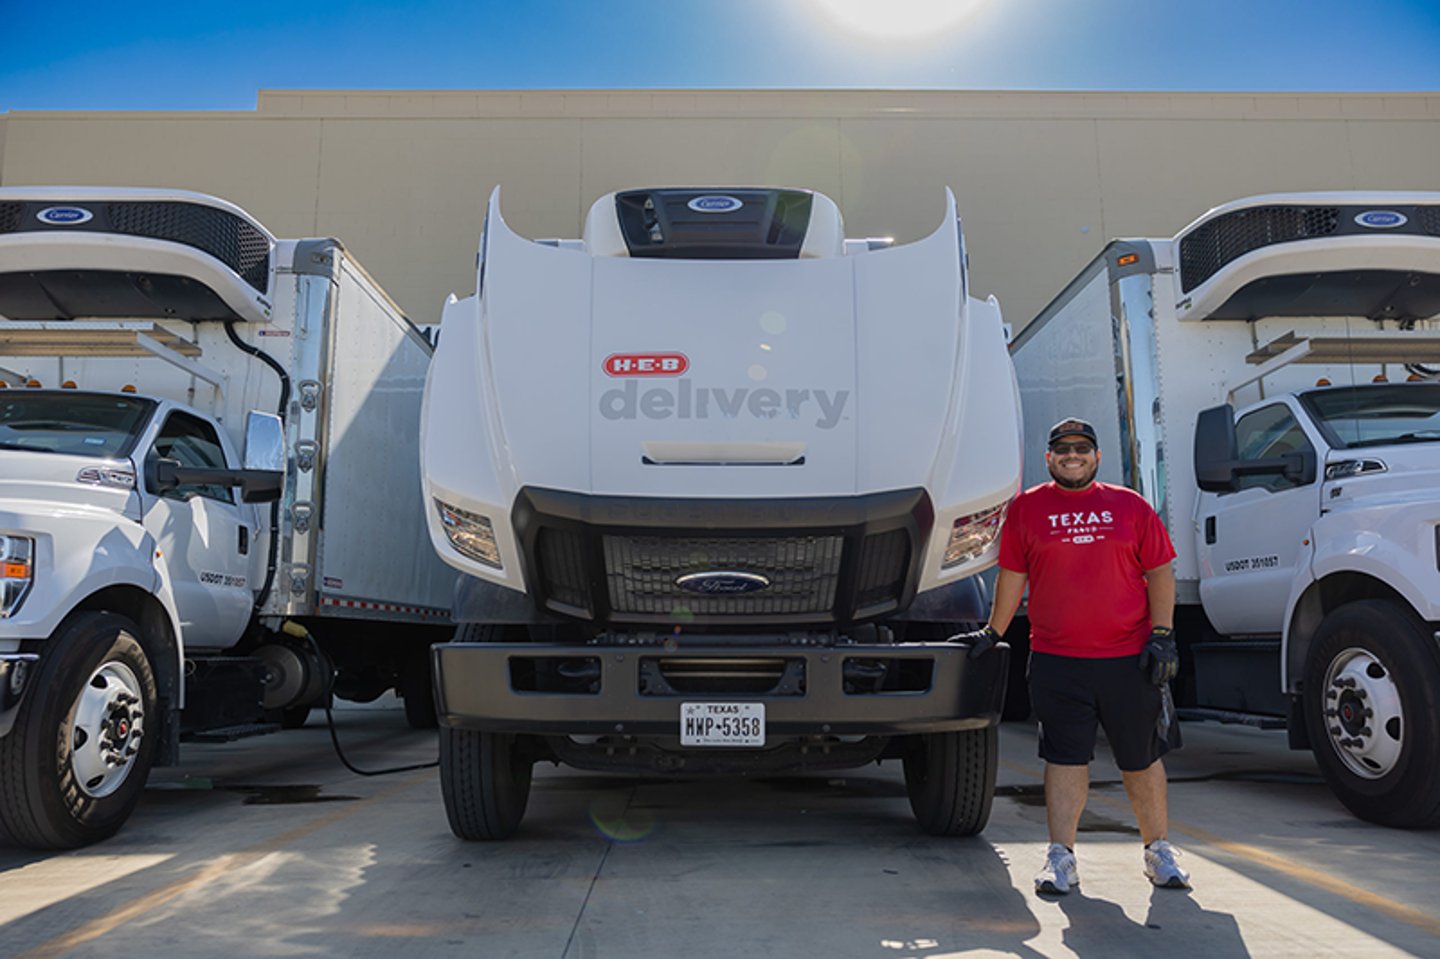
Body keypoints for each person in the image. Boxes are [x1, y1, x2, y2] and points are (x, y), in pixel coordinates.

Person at [964, 416, 1190, 895]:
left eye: (1081, 448)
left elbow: (1161, 570)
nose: (1072, 455)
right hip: (1056, 659)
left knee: (1141, 758)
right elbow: (1012, 577)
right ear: (1049, 458)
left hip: (1129, 659)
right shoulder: (1027, 509)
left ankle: (1158, 851)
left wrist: (1164, 634)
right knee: (1065, 758)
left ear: (1096, 456)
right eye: (1062, 448)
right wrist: (992, 631)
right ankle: (1061, 857)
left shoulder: (1129, 506)